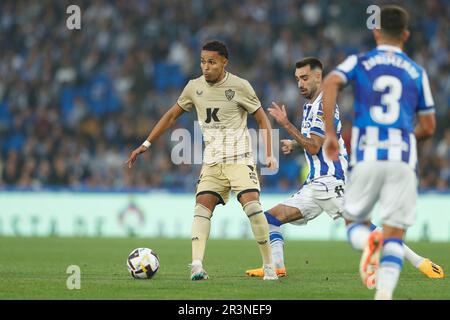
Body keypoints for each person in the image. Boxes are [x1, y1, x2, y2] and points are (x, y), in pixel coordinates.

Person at [245, 57, 444, 282]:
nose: (300, 83)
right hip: (315, 186)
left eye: (305, 78)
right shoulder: (311, 105)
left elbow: (313, 147)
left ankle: (421, 262)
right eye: (297, 79)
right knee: (270, 218)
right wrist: (295, 143)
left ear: (318, 77)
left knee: (366, 229)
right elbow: (318, 142)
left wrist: (286, 125)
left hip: (330, 182)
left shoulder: (322, 106)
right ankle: (276, 266)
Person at [126, 40, 278, 281]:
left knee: (252, 206)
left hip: (239, 159)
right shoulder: (193, 87)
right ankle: (197, 265)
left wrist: (269, 153)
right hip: (212, 162)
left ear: (224, 63)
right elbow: (171, 116)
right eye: (202, 62)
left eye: (211, 62)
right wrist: (146, 144)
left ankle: (269, 266)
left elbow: (262, 120)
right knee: (201, 207)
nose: (205, 67)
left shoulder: (240, 86)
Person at [322, 5, 439, 299]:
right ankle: (383, 296)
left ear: (376, 31)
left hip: (367, 156)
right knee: (395, 235)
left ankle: (368, 241)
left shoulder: (360, 61)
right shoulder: (417, 71)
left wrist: (329, 134)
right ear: (406, 35)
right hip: (402, 160)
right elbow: (429, 126)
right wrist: (403, 137)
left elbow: (331, 82)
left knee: (352, 221)